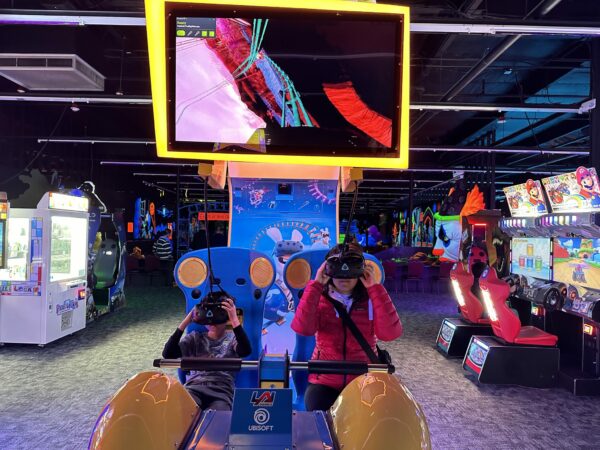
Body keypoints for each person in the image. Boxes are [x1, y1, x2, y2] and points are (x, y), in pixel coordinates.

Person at [291, 243, 402, 411]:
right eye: (338, 268)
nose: (344, 276)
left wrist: (375, 289)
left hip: (364, 377)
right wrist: (316, 285)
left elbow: (390, 333)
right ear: (327, 269)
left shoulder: (371, 298)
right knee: (318, 414)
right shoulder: (319, 297)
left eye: (351, 269)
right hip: (325, 379)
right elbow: (303, 328)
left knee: (370, 420)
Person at [162, 298, 252, 410]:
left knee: (219, 415)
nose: (212, 321)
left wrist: (234, 319)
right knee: (182, 410)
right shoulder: (194, 338)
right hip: (194, 388)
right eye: (208, 315)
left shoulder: (232, 339)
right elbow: (168, 354)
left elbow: (245, 351)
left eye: (217, 315)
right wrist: (186, 321)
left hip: (221, 391)